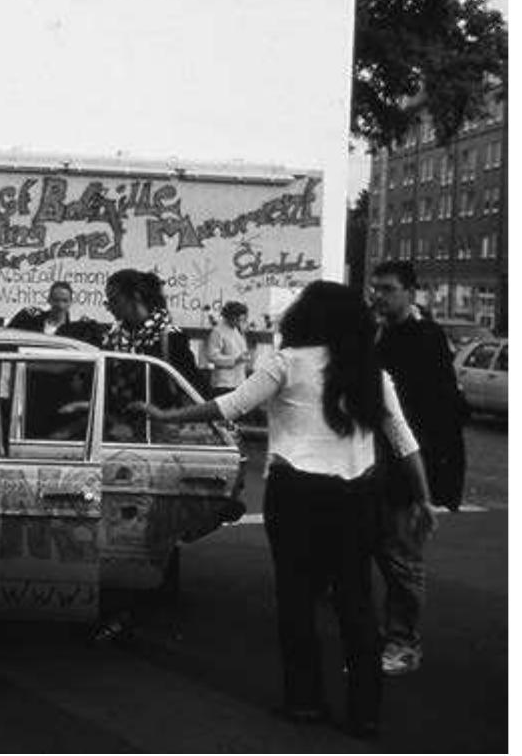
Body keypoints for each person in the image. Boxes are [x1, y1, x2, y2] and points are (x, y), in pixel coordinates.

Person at [131, 281, 436, 740]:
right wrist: (424, 498)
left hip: (296, 491)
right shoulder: (373, 370)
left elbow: (229, 406)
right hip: (358, 495)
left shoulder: (286, 362)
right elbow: (403, 439)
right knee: (356, 599)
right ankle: (364, 712)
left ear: (306, 316)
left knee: (296, 597)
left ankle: (304, 701)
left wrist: (167, 416)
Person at [369, 260, 468, 677]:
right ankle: (390, 632)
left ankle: (404, 642)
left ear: (411, 292)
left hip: (407, 467)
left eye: (388, 289)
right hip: (376, 463)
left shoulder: (425, 338)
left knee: (403, 556)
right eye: (375, 288)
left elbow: (440, 413)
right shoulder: (378, 333)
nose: (379, 296)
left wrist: (424, 480)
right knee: (380, 549)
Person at [101, 269, 204, 390]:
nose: (110, 308)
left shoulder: (170, 339)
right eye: (107, 302)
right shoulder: (112, 338)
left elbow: (194, 388)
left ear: (136, 296)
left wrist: (159, 410)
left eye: (114, 300)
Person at [7, 280, 106, 345]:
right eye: (56, 300)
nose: (60, 305)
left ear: (71, 302)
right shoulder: (31, 320)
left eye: (64, 301)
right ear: (49, 300)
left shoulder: (77, 330)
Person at [205, 301, 252, 396]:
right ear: (230, 317)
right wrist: (235, 359)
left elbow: (240, 350)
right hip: (223, 383)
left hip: (238, 381)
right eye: (238, 320)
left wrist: (245, 356)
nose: (239, 322)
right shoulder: (218, 331)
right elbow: (212, 356)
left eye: (241, 320)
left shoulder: (237, 330)